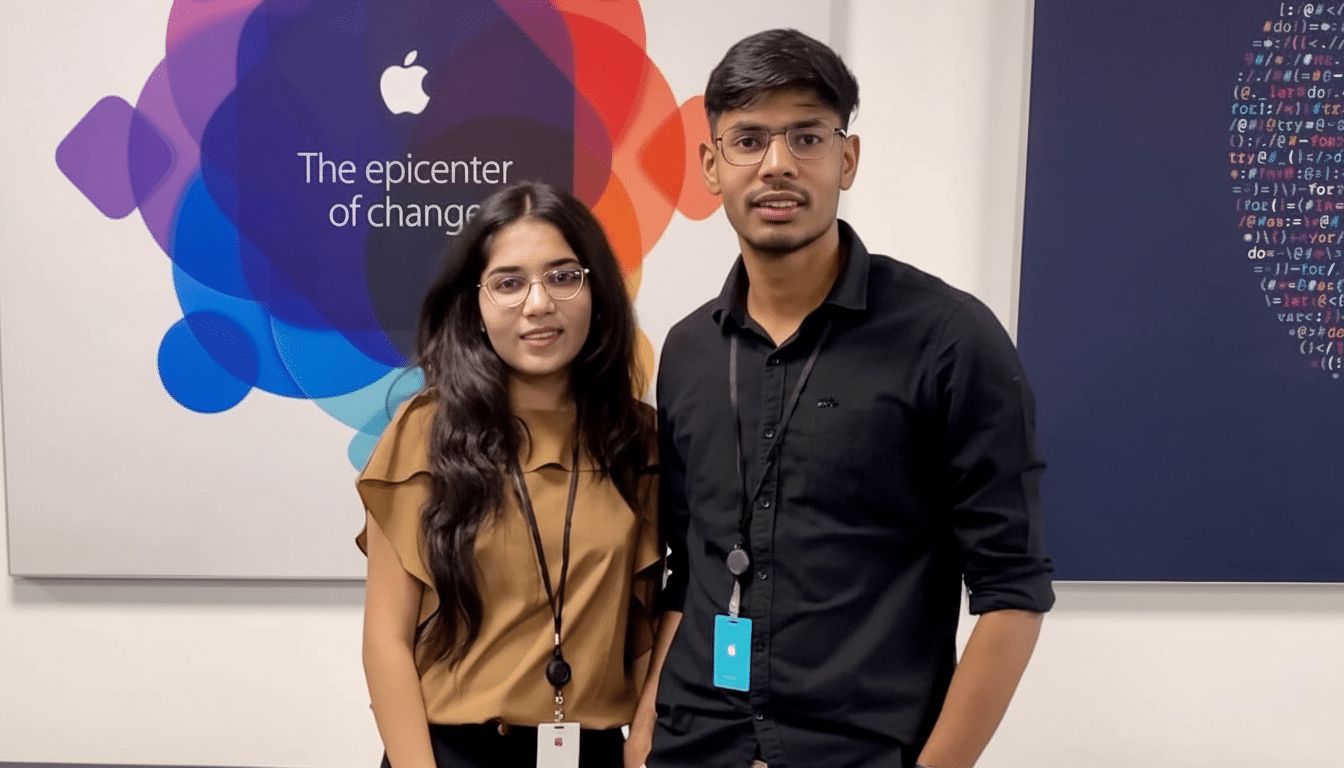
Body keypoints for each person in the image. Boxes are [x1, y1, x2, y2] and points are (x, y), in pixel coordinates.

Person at [631, 29, 1055, 768]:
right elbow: (690, 567)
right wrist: (644, 735)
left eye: (806, 136)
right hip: (693, 747)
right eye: (748, 140)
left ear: (846, 158)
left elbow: (1012, 591)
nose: (777, 165)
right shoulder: (689, 349)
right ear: (710, 166)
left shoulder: (949, 340)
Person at [357, 181, 663, 768]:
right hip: (452, 753)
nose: (538, 304)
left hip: (592, 752)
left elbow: (649, 620)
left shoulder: (638, 441)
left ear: (596, 289)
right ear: (475, 303)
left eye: (563, 276)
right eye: (509, 283)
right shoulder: (426, 432)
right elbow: (386, 642)